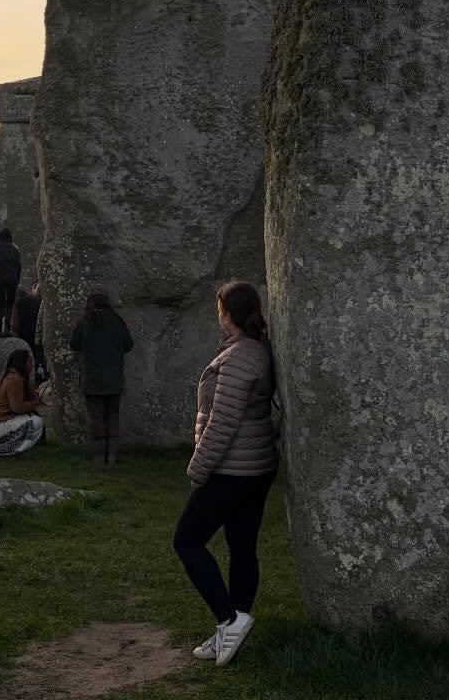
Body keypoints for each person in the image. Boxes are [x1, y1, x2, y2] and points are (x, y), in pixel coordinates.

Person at [174, 281, 278, 669]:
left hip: (232, 468)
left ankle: (229, 619)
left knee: (187, 541)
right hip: (256, 467)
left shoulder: (241, 357)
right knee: (241, 546)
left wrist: (198, 468)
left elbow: (222, 424)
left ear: (227, 312)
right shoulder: (254, 350)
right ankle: (230, 632)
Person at [69, 293, 133, 467]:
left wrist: (76, 328)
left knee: (96, 418)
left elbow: (74, 344)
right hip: (113, 378)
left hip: (92, 379)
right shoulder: (117, 321)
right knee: (112, 417)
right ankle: (111, 458)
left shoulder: (86, 321)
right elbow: (128, 345)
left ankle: (98, 458)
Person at [0, 348, 45, 458]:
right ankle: (16, 449)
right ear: (22, 363)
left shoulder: (14, 376)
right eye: (29, 362)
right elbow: (17, 408)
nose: (32, 365)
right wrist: (37, 402)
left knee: (33, 418)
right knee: (36, 422)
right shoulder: (14, 379)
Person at [12, 281, 46, 382]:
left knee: (26, 356)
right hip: (35, 331)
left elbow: (15, 321)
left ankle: (26, 377)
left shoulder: (18, 302)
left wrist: (15, 332)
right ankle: (40, 375)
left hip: (24, 333)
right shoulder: (37, 301)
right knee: (37, 355)